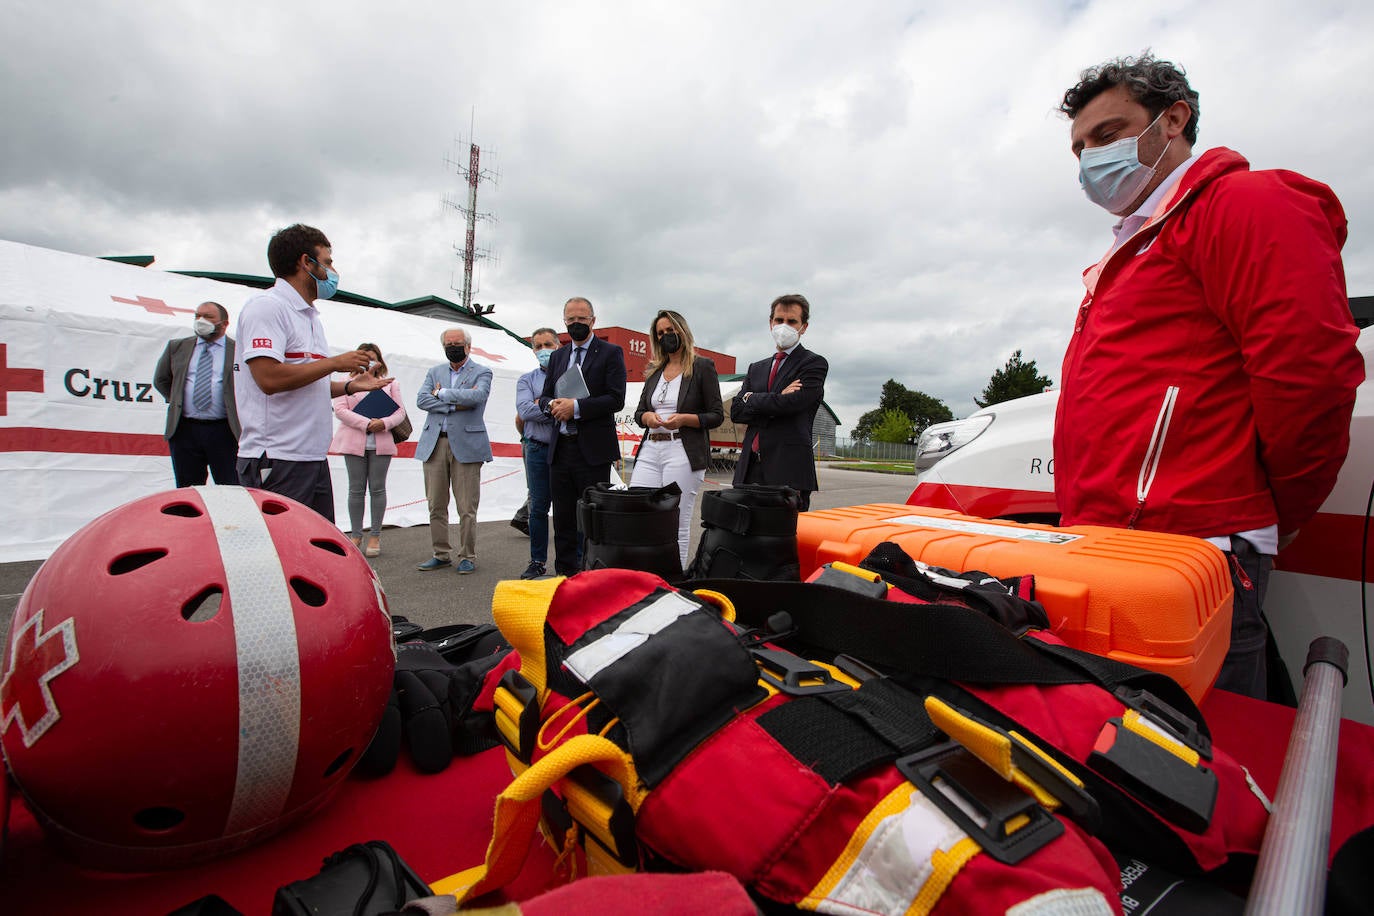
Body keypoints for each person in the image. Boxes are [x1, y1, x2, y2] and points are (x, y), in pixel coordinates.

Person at [1054, 53, 1364, 700]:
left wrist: (1260, 512)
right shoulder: (1140, 243)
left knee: (1200, 756)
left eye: (1107, 135)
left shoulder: (1241, 203)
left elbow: (1309, 374)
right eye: (1079, 147)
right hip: (1118, 547)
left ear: (1173, 120)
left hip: (1190, 551)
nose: (1089, 159)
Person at [235, 224, 390, 520]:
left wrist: (349, 388)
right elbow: (268, 379)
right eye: (328, 262)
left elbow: (306, 380)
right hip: (278, 459)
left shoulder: (309, 317)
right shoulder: (267, 308)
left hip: (310, 458)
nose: (333, 271)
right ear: (306, 262)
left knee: (315, 553)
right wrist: (333, 363)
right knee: (282, 554)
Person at [538, 297, 627, 576]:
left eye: (582, 319)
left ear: (593, 321)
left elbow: (616, 398)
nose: (576, 324)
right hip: (560, 450)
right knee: (563, 520)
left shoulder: (611, 353)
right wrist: (551, 405)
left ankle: (595, 575)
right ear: (564, 321)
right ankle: (564, 577)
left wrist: (575, 407)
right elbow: (545, 395)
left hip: (592, 450)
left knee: (592, 518)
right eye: (571, 319)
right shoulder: (558, 356)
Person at [630, 310, 724, 570]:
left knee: (676, 521)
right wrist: (647, 417)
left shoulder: (702, 366)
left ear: (682, 330)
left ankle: (675, 580)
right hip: (651, 448)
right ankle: (646, 575)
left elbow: (716, 415)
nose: (666, 336)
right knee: (640, 513)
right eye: (660, 333)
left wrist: (684, 419)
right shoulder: (654, 371)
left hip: (682, 450)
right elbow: (639, 413)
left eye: (670, 330)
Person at [730, 293, 829, 511]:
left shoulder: (814, 364)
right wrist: (773, 398)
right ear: (770, 322)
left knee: (782, 540)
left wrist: (751, 399)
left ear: (804, 327)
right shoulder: (756, 368)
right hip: (749, 468)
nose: (784, 326)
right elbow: (736, 412)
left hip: (788, 470)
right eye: (779, 320)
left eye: (792, 321)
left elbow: (793, 404)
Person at [414, 327, 493, 574]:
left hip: (468, 446)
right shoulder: (434, 371)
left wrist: (443, 393)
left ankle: (467, 555)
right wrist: (452, 405)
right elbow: (422, 400)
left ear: (468, 346)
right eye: (448, 344)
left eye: (457, 343)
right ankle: (441, 553)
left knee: (466, 506)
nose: (453, 347)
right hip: (435, 443)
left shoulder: (483, 371)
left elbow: (477, 397)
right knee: (436, 503)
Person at [329, 342, 406, 557]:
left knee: (378, 488)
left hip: (381, 441)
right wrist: (366, 423)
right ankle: (356, 533)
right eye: (365, 357)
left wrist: (384, 423)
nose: (369, 362)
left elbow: (400, 412)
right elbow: (340, 410)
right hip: (354, 441)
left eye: (373, 358)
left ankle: (375, 534)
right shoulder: (344, 383)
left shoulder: (390, 383)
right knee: (356, 488)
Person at [153, 301, 240, 486]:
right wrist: (177, 399)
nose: (201, 321)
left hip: (224, 431)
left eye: (208, 317)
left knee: (231, 488)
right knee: (187, 489)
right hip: (185, 430)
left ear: (224, 324)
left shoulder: (238, 351)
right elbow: (161, 379)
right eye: (197, 316)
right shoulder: (177, 347)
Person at [514, 328, 562, 579]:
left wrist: (540, 403)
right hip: (536, 449)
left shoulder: (570, 374)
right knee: (538, 507)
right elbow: (524, 411)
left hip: (565, 447)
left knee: (567, 506)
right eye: (538, 346)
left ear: (558, 345)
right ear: (533, 350)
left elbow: (576, 406)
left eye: (548, 344)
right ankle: (537, 560)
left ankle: (571, 561)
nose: (543, 350)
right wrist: (555, 405)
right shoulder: (526, 379)